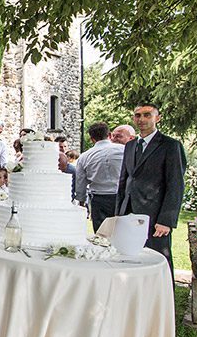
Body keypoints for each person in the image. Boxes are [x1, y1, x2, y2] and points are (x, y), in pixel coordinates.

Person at [117, 104, 187, 275]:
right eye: (137, 115)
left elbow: (175, 184)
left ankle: (165, 297)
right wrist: (118, 213)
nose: (141, 119)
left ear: (158, 118)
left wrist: (166, 220)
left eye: (147, 115)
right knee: (129, 257)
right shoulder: (130, 146)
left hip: (155, 215)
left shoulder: (171, 145)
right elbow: (124, 181)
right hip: (128, 212)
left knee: (158, 259)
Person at [74, 122, 125, 231]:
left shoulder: (84, 157)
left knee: (102, 234)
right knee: (122, 231)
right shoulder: (123, 150)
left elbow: (81, 182)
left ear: (92, 139)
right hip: (121, 195)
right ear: (110, 135)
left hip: (99, 198)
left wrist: (81, 200)